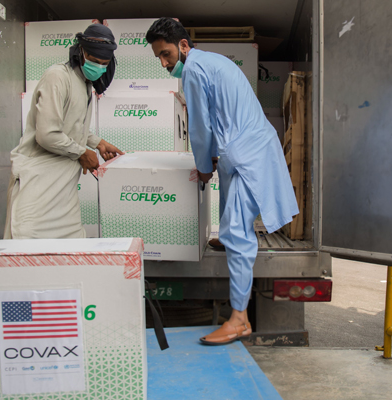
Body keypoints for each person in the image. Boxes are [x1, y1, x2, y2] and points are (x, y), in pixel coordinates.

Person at [147, 18, 299, 345]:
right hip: (242, 149)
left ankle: (240, 319)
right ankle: (228, 242)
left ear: (183, 46)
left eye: (167, 54)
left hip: (247, 155)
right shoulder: (211, 61)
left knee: (237, 231)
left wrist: (203, 165)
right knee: (229, 212)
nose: (164, 62)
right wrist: (213, 157)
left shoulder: (192, 71)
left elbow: (200, 126)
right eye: (158, 57)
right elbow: (218, 116)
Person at [5, 24, 124, 239]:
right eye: (94, 61)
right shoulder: (57, 77)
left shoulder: (86, 83)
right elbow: (47, 134)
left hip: (64, 186)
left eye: (104, 64)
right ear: (81, 52)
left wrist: (97, 143)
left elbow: (72, 125)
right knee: (27, 244)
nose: (98, 68)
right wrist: (82, 153)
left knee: (70, 248)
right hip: (38, 180)